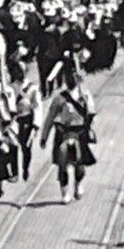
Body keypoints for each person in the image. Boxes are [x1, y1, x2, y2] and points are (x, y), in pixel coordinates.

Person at [39, 60, 95, 203]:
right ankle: (64, 193)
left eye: (73, 77)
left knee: (80, 163)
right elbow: (50, 118)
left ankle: (78, 185)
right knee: (62, 164)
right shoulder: (59, 98)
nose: (70, 80)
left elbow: (91, 113)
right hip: (63, 131)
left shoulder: (85, 95)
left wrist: (86, 101)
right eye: (68, 77)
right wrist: (44, 136)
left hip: (80, 131)